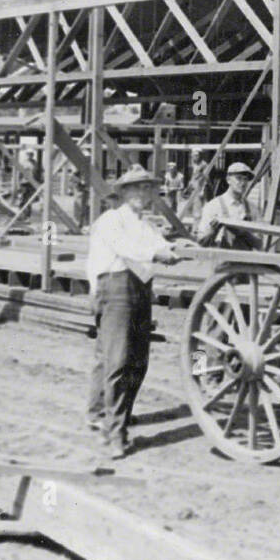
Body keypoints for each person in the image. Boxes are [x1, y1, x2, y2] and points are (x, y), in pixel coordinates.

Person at [85, 166, 185, 458]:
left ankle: (108, 415)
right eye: (137, 187)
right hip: (115, 289)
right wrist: (158, 253)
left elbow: (159, 243)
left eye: (147, 188)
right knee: (118, 362)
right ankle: (114, 433)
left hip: (140, 289)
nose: (143, 193)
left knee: (138, 361)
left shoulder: (145, 224)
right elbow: (126, 248)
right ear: (124, 192)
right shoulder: (111, 220)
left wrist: (178, 246)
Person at [197, 161, 259, 247]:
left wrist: (245, 233)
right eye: (239, 178)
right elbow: (201, 242)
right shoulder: (213, 206)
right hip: (221, 255)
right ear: (228, 180)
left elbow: (260, 244)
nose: (243, 183)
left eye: (246, 179)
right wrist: (213, 230)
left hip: (245, 255)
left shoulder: (252, 208)